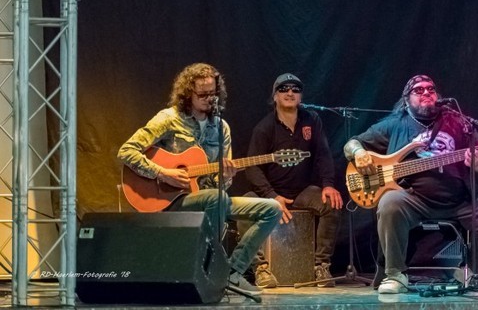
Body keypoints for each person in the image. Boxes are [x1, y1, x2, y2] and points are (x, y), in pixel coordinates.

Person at [117, 63, 282, 296]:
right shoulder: (169, 119)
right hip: (171, 200)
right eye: (202, 95)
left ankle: (231, 273)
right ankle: (205, 268)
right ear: (188, 94)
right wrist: (163, 173)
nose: (209, 100)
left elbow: (218, 186)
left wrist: (225, 177)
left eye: (213, 94)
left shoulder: (221, 128)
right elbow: (126, 151)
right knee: (217, 199)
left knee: (272, 209)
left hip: (210, 199)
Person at [343, 74, 478, 294]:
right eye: (418, 90)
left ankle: (472, 273)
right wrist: (359, 152)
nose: (426, 93)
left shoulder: (459, 122)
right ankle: (395, 275)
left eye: (430, 89)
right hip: (414, 199)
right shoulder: (394, 124)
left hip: (460, 200)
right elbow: (351, 144)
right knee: (389, 203)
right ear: (406, 99)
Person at [243, 73, 343, 288]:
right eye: (284, 89)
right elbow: (252, 167)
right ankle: (260, 268)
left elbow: (323, 154)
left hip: (301, 191)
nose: (290, 93)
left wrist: (328, 184)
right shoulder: (264, 127)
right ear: (275, 96)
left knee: (331, 203)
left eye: (295, 89)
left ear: (301, 96)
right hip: (269, 193)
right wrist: (272, 196)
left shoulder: (311, 120)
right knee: (244, 207)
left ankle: (321, 266)